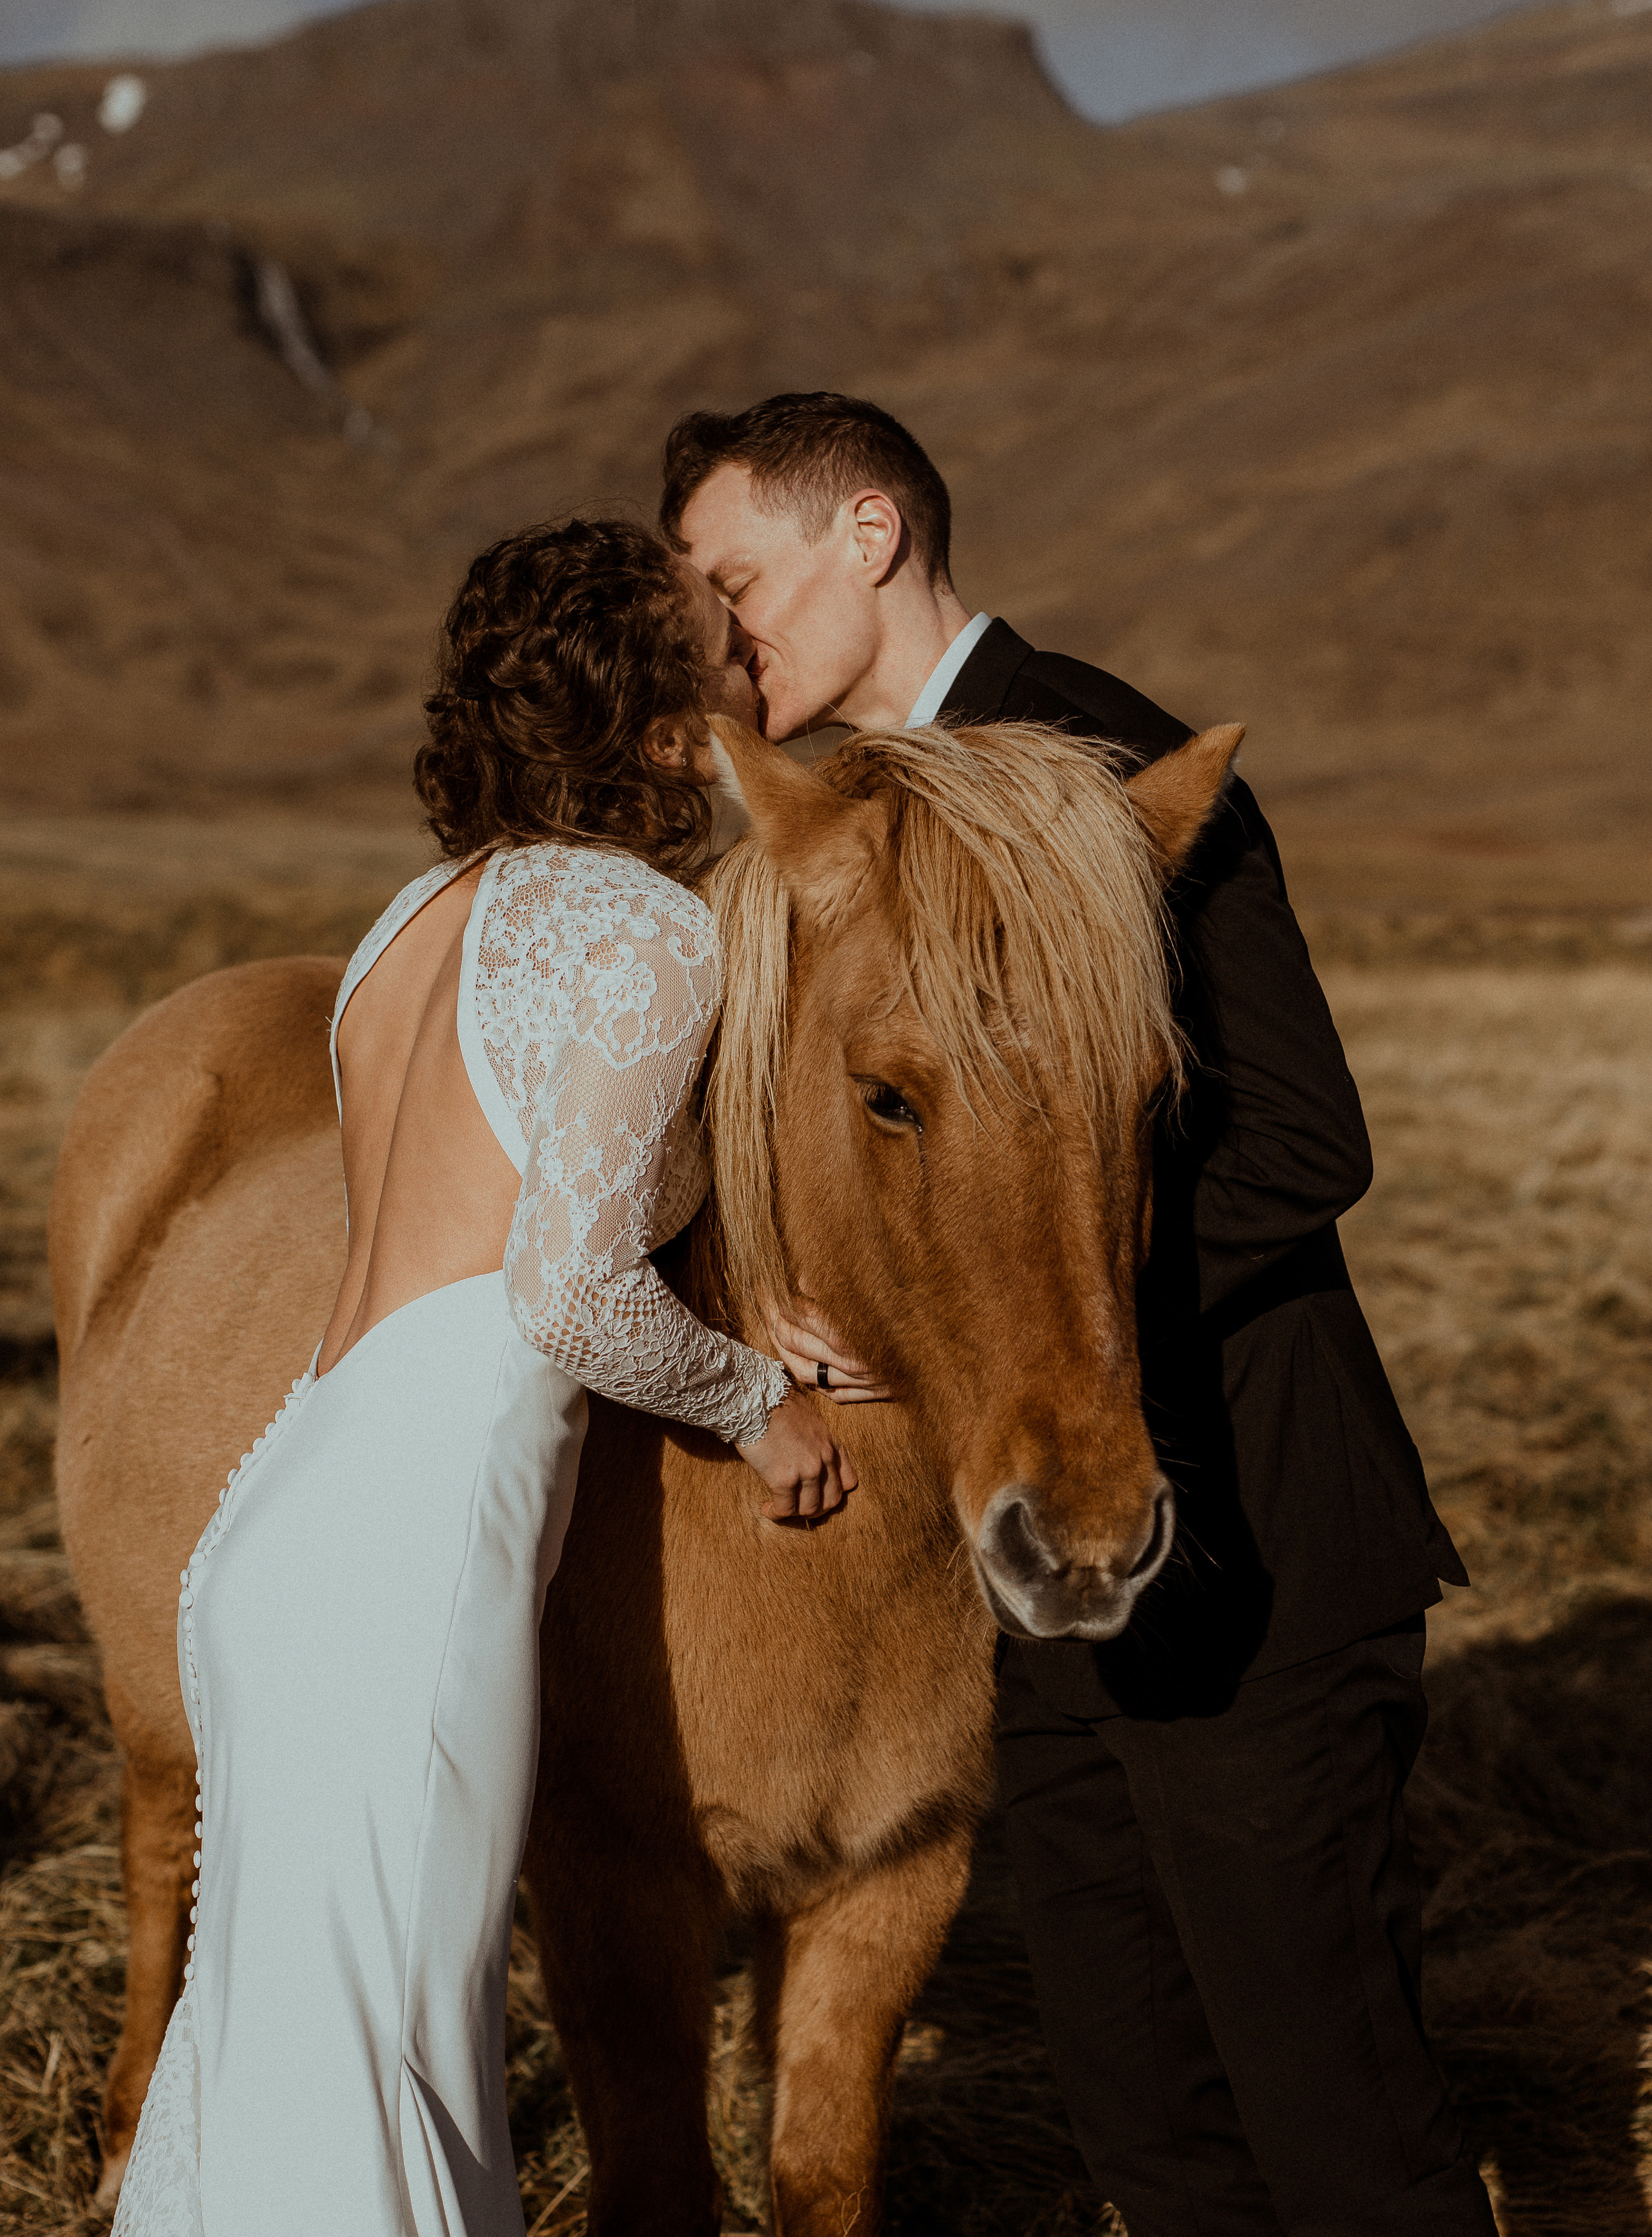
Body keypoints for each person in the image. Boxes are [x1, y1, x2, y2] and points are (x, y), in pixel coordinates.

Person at [661, 394, 1499, 2236]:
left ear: (867, 535)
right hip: (1042, 1570)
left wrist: (997, 1294)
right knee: (1145, 2122)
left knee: (1334, 2121)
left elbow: (1302, 1137)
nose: (724, 637)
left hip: (1248, 1537)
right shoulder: (881, 812)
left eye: (739, 581)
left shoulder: (1087, 762)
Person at [111, 516, 856, 2237]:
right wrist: (764, 1404)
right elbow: (570, 1289)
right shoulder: (642, 935)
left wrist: (750, 1304)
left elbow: (488, 1212)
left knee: (283, 2074)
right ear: (669, 729)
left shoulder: (411, 921)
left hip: (284, 1514)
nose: (758, 663)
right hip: (412, 1562)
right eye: (722, 645)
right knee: (386, 2080)